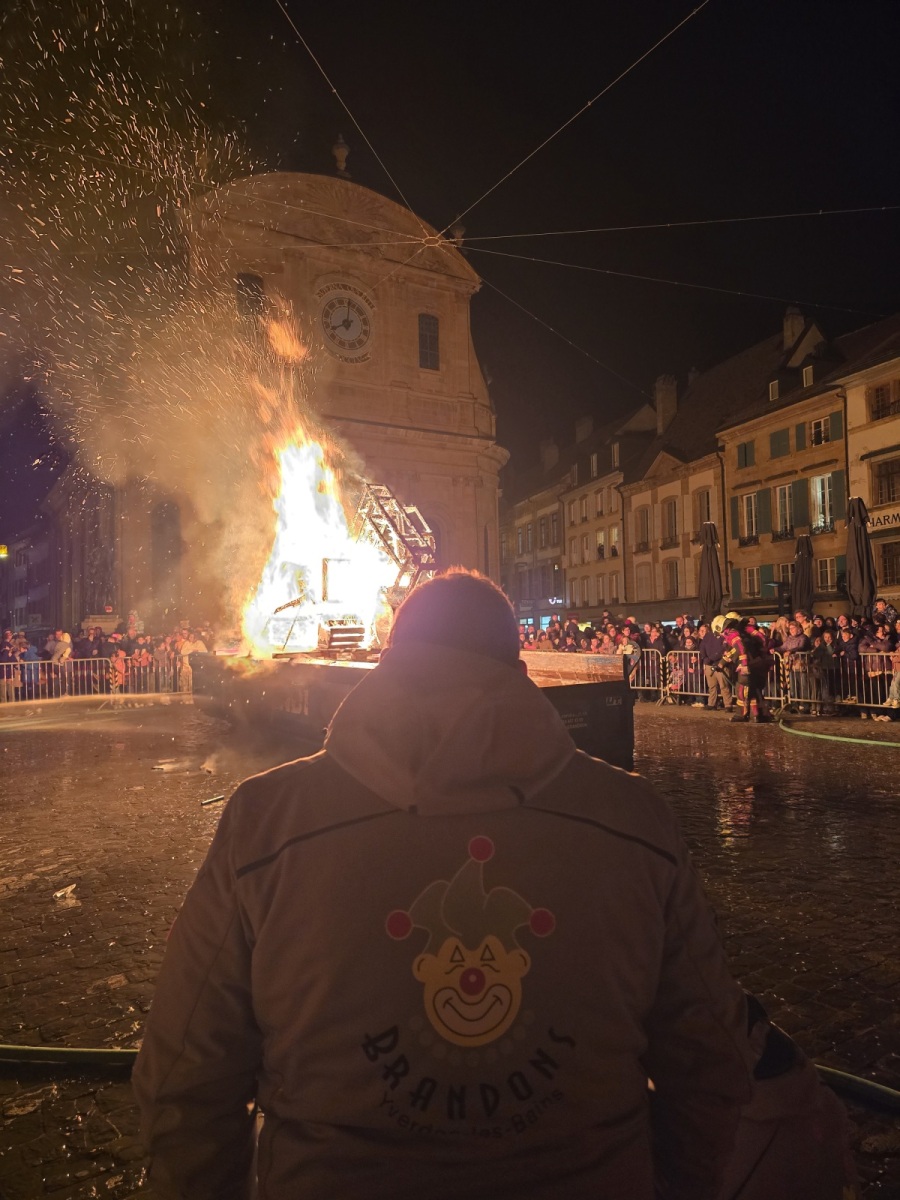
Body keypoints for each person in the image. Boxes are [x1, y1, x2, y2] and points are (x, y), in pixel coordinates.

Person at [133, 567, 753, 1200]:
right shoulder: (635, 822)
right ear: (520, 670)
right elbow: (712, 1058)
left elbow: (184, 1077)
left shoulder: (267, 821)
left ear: (388, 660)